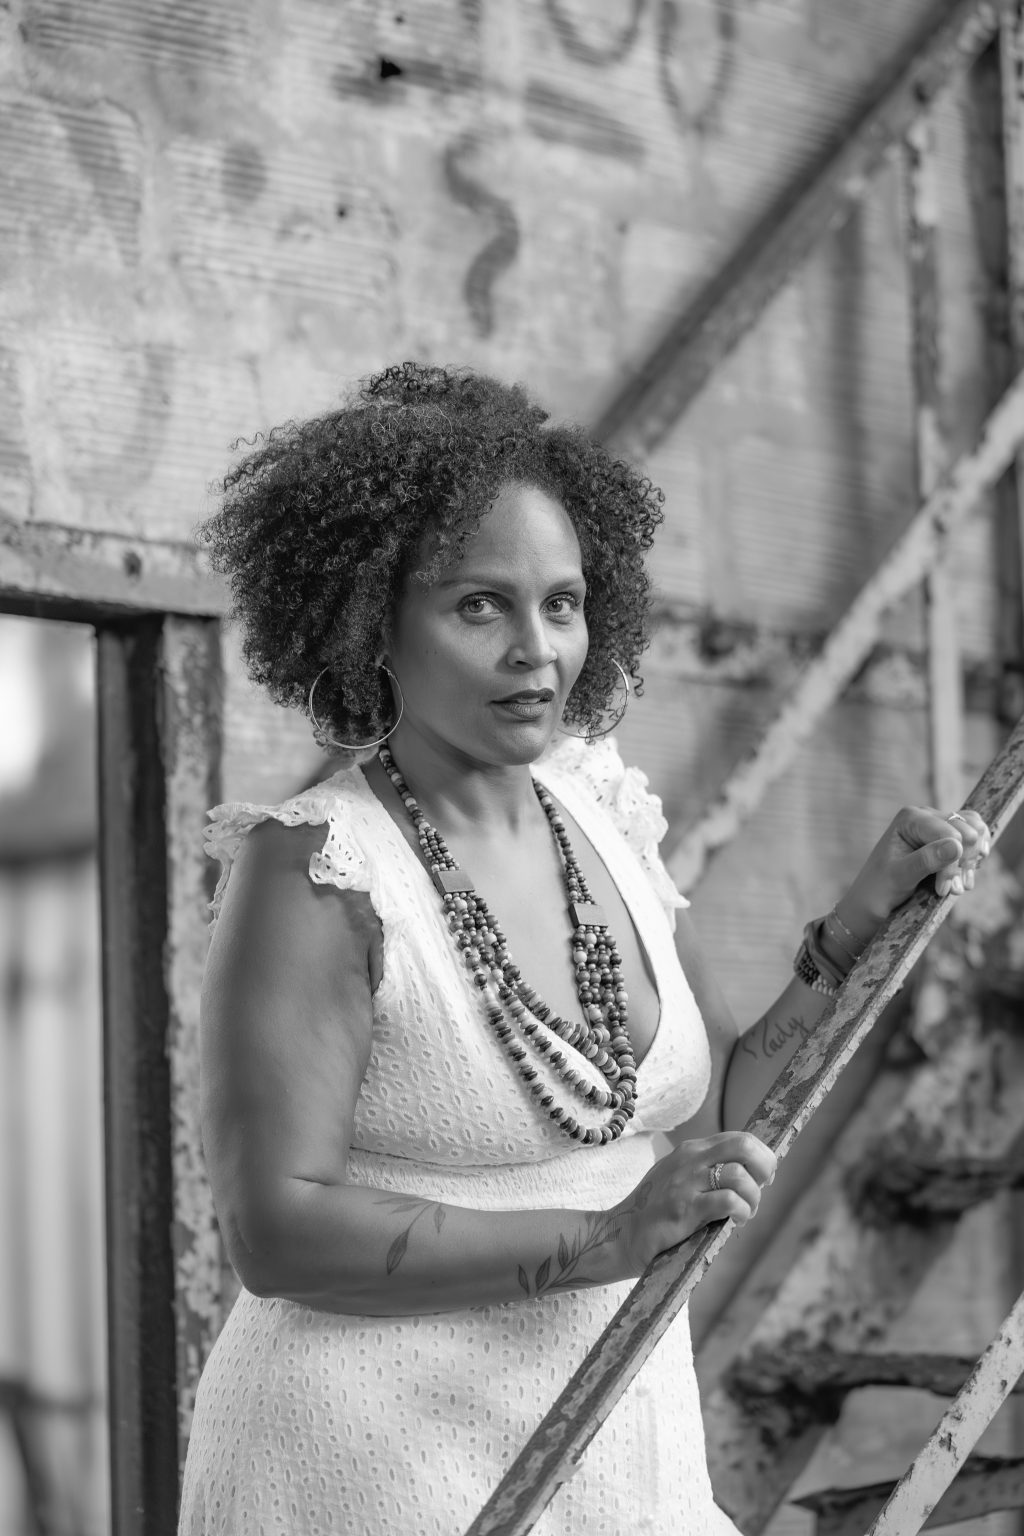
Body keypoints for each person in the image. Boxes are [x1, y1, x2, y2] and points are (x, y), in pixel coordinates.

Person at [178, 362, 989, 1536]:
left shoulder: (597, 806)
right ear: (372, 625)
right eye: (479, 606)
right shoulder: (317, 869)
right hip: (368, 1463)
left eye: (560, 604)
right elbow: (275, 1232)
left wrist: (855, 931)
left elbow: (711, 1123)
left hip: (615, 1435)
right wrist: (608, 1238)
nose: (536, 650)